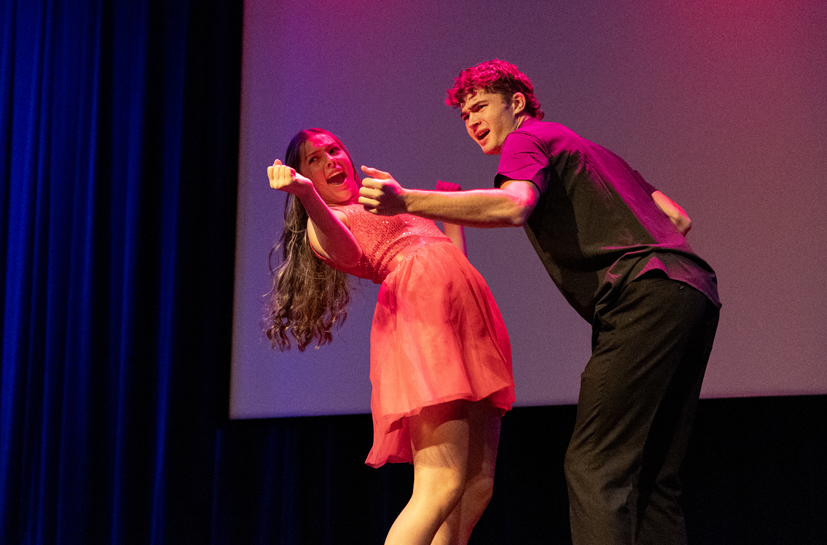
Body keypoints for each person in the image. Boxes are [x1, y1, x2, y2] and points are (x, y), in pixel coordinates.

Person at [356, 60, 721, 545]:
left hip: (643, 298)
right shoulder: (592, 152)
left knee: (594, 464)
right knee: (652, 476)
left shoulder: (527, 141)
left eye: (481, 107)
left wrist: (407, 202)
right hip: (692, 291)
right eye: (465, 116)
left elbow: (515, 204)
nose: (472, 122)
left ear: (518, 103)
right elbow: (677, 218)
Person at [266, 128, 515, 545]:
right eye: (314, 159)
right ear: (300, 176)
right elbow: (346, 250)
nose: (330, 160)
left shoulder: (380, 198)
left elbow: (444, 257)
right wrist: (307, 194)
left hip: (466, 317)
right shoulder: (328, 222)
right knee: (441, 482)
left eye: (334, 150)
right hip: (425, 322)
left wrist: (451, 218)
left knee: (475, 487)